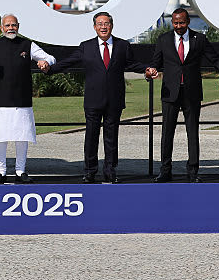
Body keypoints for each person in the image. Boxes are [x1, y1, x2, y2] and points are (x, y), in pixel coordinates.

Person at [40, 11, 152, 183]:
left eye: (106, 23)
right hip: (93, 100)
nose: (103, 27)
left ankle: (110, 170)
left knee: (111, 136)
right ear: (94, 27)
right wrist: (50, 69)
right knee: (91, 137)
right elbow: (68, 62)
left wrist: (146, 69)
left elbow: (132, 64)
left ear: (111, 26)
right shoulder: (86, 46)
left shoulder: (122, 45)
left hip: (114, 100)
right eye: (100, 24)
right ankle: (90, 171)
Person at [0, 13, 54, 184]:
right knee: (0, 137)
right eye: (7, 25)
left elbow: (50, 57)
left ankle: (20, 171)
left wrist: (44, 62)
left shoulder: (27, 45)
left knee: (22, 136)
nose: (11, 28)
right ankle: (1, 171)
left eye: (13, 25)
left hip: (22, 99)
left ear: (18, 26)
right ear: (1, 28)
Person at [150, 7, 219, 183]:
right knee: (167, 133)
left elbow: (215, 59)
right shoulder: (163, 40)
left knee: (192, 132)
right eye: (175, 22)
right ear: (172, 22)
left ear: (188, 22)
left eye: (182, 22)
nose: (178, 26)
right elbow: (155, 63)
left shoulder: (200, 39)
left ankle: (193, 171)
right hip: (170, 93)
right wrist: (150, 71)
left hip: (192, 92)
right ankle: (165, 171)